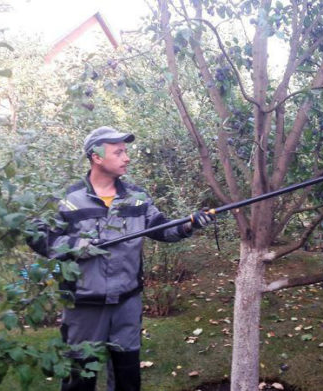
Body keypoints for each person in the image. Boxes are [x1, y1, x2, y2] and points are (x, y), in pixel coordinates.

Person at [27, 126, 213, 391]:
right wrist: (77, 245)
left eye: (126, 151)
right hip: (84, 305)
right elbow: (37, 236)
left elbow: (161, 228)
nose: (126, 158)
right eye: (119, 152)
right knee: (79, 378)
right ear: (96, 157)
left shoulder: (136, 198)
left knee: (127, 377)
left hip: (127, 302)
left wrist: (188, 225)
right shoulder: (67, 200)